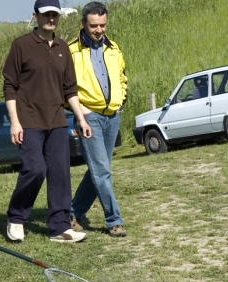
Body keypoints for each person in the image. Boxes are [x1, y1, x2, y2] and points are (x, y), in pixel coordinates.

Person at [4, 0, 92, 243]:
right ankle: (16, 217)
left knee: (60, 173)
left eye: (55, 14)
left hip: (57, 121)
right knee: (35, 169)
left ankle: (59, 227)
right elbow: (10, 86)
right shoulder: (21, 45)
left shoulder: (63, 48)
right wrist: (15, 122)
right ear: (36, 16)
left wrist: (81, 119)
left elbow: (70, 89)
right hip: (29, 120)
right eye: (46, 14)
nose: (51, 18)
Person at [68, 1, 128, 238]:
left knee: (99, 169)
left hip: (112, 116)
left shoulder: (113, 48)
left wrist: (121, 99)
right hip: (88, 117)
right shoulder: (71, 51)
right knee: (101, 170)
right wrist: (80, 112)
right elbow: (65, 87)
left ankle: (73, 212)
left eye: (103, 25)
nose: (99, 30)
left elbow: (122, 77)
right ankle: (114, 220)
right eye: (94, 26)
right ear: (83, 23)